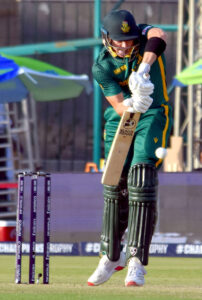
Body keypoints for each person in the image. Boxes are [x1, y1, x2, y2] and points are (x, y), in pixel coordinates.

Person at [87, 9, 173, 287]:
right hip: (120, 118)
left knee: (141, 177)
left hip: (153, 114)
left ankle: (136, 260)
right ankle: (111, 256)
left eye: (130, 39)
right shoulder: (101, 66)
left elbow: (159, 36)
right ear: (106, 39)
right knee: (114, 184)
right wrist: (134, 102)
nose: (125, 45)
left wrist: (145, 69)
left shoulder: (145, 37)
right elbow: (119, 106)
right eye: (119, 40)